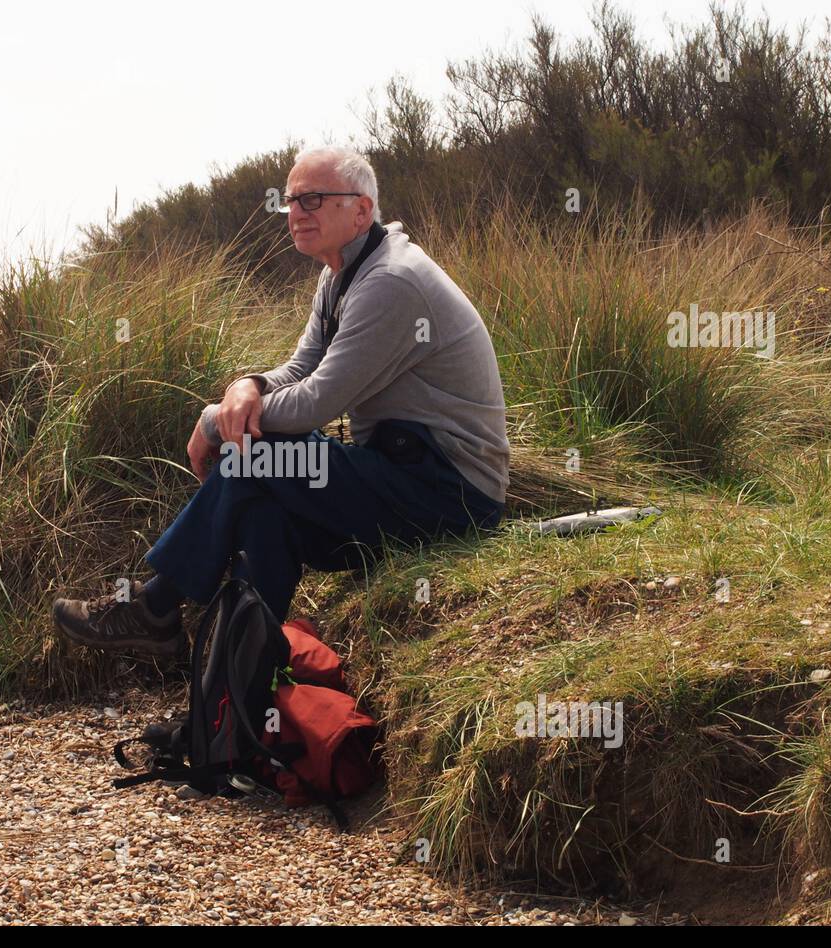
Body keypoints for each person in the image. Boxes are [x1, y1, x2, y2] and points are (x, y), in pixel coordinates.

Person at [51, 145, 510, 656]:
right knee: (262, 516)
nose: (294, 213)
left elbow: (313, 404)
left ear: (360, 209)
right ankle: (228, 713)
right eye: (290, 201)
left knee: (258, 458)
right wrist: (247, 385)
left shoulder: (391, 282)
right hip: (395, 473)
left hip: (448, 493)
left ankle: (155, 607)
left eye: (312, 199)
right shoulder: (340, 274)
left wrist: (213, 421)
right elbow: (298, 370)